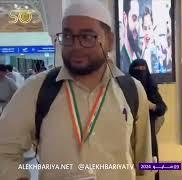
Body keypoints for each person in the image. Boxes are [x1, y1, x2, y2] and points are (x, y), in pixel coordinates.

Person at [0, 1, 152, 179]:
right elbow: (4, 149)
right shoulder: (36, 89)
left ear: (109, 41)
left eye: (87, 37)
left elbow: (144, 162)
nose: (75, 46)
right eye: (68, 36)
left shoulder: (132, 90)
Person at [129, 59, 167, 180]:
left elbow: (162, 108)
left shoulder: (151, 89)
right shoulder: (126, 88)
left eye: (142, 69)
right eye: (137, 70)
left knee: (150, 167)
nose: (140, 72)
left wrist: (152, 106)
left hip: (149, 136)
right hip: (129, 135)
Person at [120, 0, 141, 73]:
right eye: (134, 18)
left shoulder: (140, 57)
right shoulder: (120, 61)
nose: (137, 26)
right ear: (125, 19)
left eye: (139, 19)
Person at [140, 7, 157, 73]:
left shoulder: (157, 51)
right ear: (142, 28)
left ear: (153, 27)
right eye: (145, 28)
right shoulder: (139, 52)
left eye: (149, 28)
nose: (147, 32)